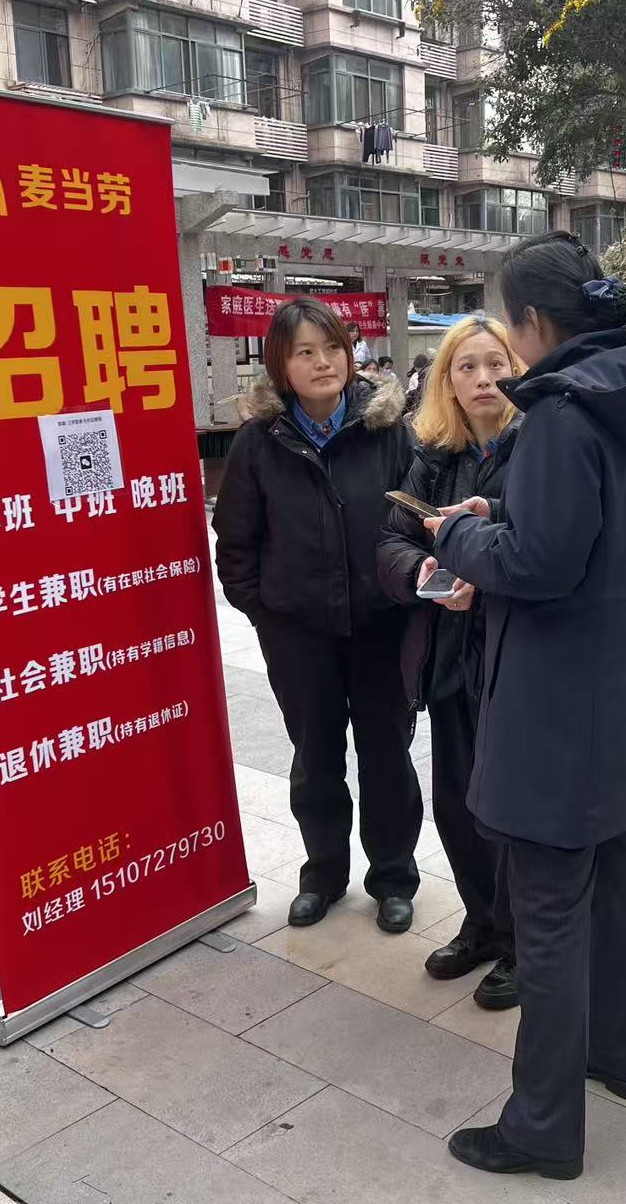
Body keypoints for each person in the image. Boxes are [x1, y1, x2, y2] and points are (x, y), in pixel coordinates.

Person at [429, 231, 626, 1180]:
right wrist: (501, 515)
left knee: (547, 912)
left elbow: (541, 567)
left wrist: (456, 540)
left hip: (551, 706)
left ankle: (541, 1126)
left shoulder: (558, 415)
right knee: (617, 875)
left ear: (535, 322)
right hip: (618, 692)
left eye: (508, 324)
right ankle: (616, 1056)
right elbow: (592, 530)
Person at [213, 297, 423, 933]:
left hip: (381, 627)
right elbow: (235, 540)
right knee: (316, 757)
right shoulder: (258, 443)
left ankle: (393, 877)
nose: (323, 362)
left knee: (387, 754)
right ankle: (323, 874)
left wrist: (408, 598)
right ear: (281, 365)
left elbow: (418, 522)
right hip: (299, 634)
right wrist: (266, 612)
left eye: (333, 347)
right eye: (305, 352)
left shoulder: (388, 430)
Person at [378, 317, 525, 1009]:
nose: (483, 379)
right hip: (447, 656)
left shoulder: (538, 448)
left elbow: (544, 548)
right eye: (466, 367)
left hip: (516, 659)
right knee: (457, 802)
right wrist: (428, 574)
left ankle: (524, 942)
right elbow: (391, 543)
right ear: (446, 381)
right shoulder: (434, 455)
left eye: (496, 363)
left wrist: (484, 570)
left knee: (510, 809)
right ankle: (482, 923)